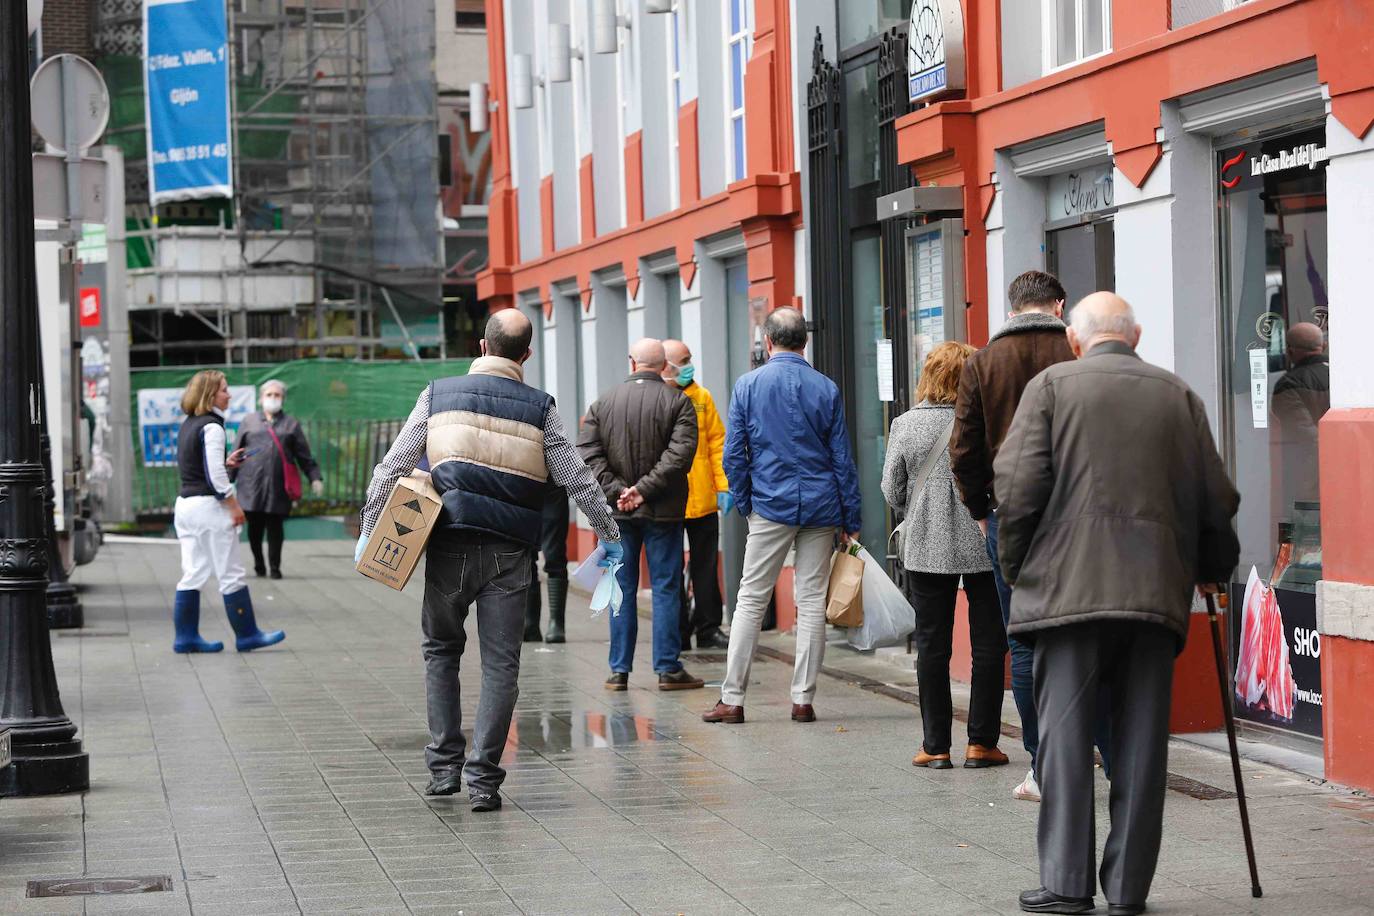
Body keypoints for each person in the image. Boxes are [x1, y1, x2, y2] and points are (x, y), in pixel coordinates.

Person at [993, 293, 1240, 916]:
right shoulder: (1177, 396)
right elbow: (1216, 499)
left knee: (1067, 740)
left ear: (1076, 341)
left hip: (1067, 592)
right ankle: (1128, 890)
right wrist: (1212, 570)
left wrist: (1020, 569)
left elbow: (1018, 491)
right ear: (1136, 335)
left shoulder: (1051, 388)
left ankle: (1066, 884)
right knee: (1140, 743)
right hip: (1154, 594)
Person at [357, 309, 621, 812]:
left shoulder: (437, 394)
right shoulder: (540, 408)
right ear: (526, 354)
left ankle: (443, 772)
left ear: (482, 346)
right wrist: (609, 534)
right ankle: (483, 780)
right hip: (510, 552)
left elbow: (391, 467)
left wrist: (370, 531)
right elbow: (576, 477)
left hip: (448, 547)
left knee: (440, 652)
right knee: (502, 665)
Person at [949, 270, 1077, 802]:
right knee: (1082, 632)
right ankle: (1099, 755)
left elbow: (964, 450)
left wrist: (982, 508)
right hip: (1075, 513)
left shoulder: (982, 362)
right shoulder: (1076, 352)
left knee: (1022, 640)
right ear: (1060, 304)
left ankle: (1043, 764)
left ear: (1010, 308)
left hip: (1010, 516)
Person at [703, 307, 862, 725]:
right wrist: (852, 514)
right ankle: (803, 700)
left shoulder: (748, 385)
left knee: (751, 599)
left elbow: (734, 454)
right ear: (804, 343)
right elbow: (841, 458)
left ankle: (733, 699)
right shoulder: (825, 388)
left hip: (770, 504)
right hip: (821, 504)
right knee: (811, 602)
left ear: (768, 342)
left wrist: (747, 501)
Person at [881, 342, 1007, 770]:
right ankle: (981, 743)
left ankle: (935, 746)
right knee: (989, 643)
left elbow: (892, 490)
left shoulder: (905, 424)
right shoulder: (986, 421)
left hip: (926, 546)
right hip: (982, 543)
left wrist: (919, 509)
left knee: (932, 645)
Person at [577, 338, 704, 691]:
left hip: (618, 515)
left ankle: (619, 670)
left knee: (620, 588)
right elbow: (679, 456)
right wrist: (643, 490)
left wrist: (620, 492)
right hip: (663, 511)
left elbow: (588, 454)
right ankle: (667, 668)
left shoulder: (603, 403)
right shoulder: (679, 402)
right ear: (664, 366)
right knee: (665, 587)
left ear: (632, 363)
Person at [171, 370, 286, 655]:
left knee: (193, 572)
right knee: (231, 573)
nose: (229, 394)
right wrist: (233, 505)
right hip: (209, 508)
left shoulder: (189, 424)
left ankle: (185, 638)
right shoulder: (213, 427)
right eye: (224, 389)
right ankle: (247, 635)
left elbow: (201, 467)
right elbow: (214, 477)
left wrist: (226, 463)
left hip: (185, 506)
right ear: (210, 394)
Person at [662, 338, 732, 651]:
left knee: (704, 568)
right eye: (685, 359)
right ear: (667, 366)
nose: (691, 364)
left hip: (702, 497)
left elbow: (718, 445)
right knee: (671, 569)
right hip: (669, 500)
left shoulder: (702, 397)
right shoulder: (657, 397)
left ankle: (708, 628)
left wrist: (724, 487)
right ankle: (678, 632)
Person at [232, 379, 323, 579]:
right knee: (254, 529)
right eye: (269, 395)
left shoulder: (291, 424)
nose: (273, 399)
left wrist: (314, 477)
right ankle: (259, 564)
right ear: (261, 398)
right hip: (251, 485)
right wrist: (228, 480)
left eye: (277, 395)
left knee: (275, 527)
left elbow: (304, 455)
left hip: (278, 486)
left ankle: (275, 567)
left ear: (283, 399)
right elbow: (236, 453)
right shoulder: (249, 421)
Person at [1271, 321, 1329, 511]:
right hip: (1341, 474)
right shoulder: (1340, 377)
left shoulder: (1288, 384)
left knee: (1304, 537)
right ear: (1324, 346)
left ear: (1289, 351)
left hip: (1306, 483)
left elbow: (1303, 435)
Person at [522, 484, 571, 643]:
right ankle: (530, 623)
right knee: (526, 554)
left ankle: (557, 623)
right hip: (523, 482)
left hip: (553, 484)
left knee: (554, 555)